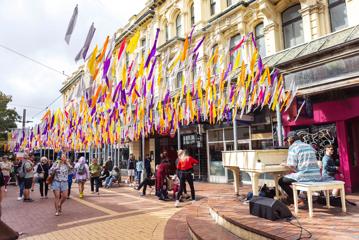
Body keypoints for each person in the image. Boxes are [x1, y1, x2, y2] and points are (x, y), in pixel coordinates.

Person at [279, 131, 321, 205]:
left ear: (290, 139)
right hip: (316, 175)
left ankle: (294, 199)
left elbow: (292, 165)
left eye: (287, 140)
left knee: (281, 181)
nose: (287, 142)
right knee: (294, 179)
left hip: (305, 176)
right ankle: (292, 199)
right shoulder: (308, 146)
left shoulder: (293, 147)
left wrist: (284, 164)